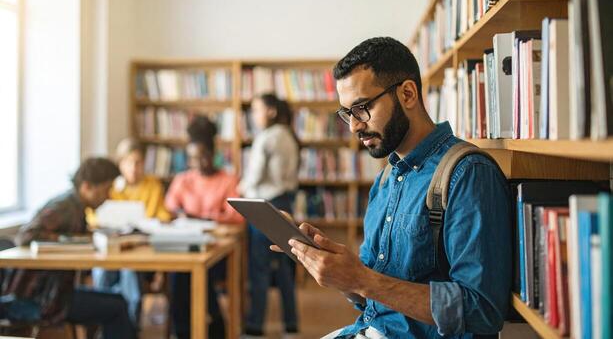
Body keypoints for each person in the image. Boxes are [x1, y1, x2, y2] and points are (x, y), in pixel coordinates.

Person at [275, 37, 512, 338]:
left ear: (408, 94)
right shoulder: (385, 180)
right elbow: (371, 299)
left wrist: (363, 280)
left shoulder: (467, 174)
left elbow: (481, 311)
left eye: (361, 108)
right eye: (347, 113)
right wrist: (333, 269)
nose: (354, 127)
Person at [2, 157, 135, 339]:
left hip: (54, 292)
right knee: (117, 306)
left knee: (117, 300)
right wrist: (74, 239)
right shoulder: (65, 207)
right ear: (87, 186)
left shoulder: (75, 206)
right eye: (106, 190)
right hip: (42, 297)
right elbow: (26, 235)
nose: (109, 196)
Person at [165, 115, 245, 339]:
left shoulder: (228, 180)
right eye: (192, 159)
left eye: (204, 157)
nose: (198, 164)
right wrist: (211, 216)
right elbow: (170, 208)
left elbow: (236, 216)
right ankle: (196, 328)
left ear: (213, 154)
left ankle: (202, 327)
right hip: (185, 247)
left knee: (194, 272)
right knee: (180, 272)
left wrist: (200, 217)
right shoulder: (183, 179)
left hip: (216, 251)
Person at [91, 138, 172, 328]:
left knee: (129, 271)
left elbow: (163, 216)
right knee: (102, 269)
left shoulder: (153, 185)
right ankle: (103, 324)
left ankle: (130, 326)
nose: (134, 168)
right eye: (129, 162)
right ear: (121, 164)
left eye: (138, 162)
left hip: (140, 249)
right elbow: (94, 217)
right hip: (111, 248)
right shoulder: (110, 188)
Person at [239, 94, 300, 337]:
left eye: (256, 110)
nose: (253, 116)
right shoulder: (289, 136)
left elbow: (253, 178)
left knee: (260, 268)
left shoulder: (266, 138)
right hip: (285, 202)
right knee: (285, 268)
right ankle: (291, 325)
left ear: (272, 111)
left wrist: (239, 189)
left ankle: (255, 327)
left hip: (264, 205)